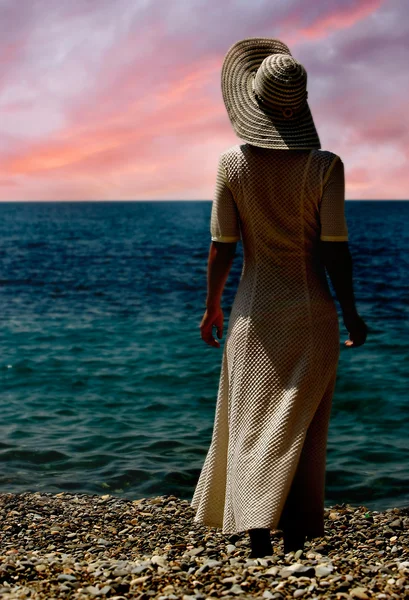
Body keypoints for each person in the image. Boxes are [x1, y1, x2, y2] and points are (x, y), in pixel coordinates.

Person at [190, 37, 368, 559]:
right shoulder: (325, 166)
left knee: (249, 419)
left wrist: (212, 306)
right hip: (312, 310)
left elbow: (221, 246)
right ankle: (293, 529)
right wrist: (353, 315)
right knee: (301, 424)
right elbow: (337, 252)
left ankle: (257, 533)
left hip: (252, 310)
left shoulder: (232, 166)